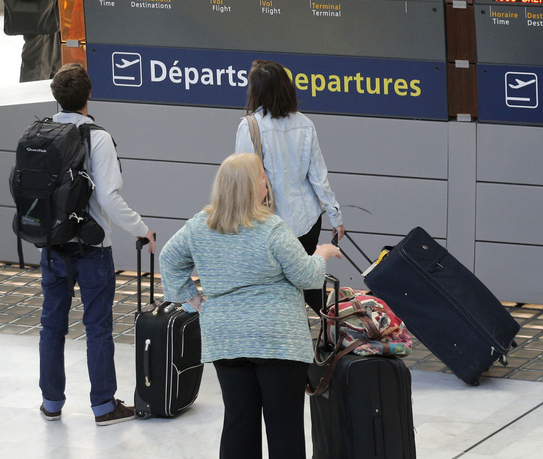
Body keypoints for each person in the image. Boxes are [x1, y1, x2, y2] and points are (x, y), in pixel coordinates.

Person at [159, 152, 344, 459]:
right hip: (277, 340)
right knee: (284, 428)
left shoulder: (199, 227)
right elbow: (307, 276)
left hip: (226, 338)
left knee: (238, 423)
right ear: (250, 185)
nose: (266, 180)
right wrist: (323, 251)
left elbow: (169, 259)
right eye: (261, 174)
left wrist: (196, 302)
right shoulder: (272, 228)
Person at [40, 63, 154, 425]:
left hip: (52, 245)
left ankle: (51, 403)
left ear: (56, 96)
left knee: (51, 325)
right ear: (88, 95)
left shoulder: (43, 131)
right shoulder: (97, 137)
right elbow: (108, 198)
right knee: (98, 328)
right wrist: (141, 229)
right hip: (91, 248)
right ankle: (104, 406)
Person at [235, 59, 345, 313]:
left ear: (257, 91)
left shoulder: (250, 126)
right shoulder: (305, 124)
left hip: (270, 225)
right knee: (310, 281)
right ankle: (331, 337)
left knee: (277, 291)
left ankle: (290, 342)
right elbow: (319, 177)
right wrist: (335, 216)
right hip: (307, 222)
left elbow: (243, 180)